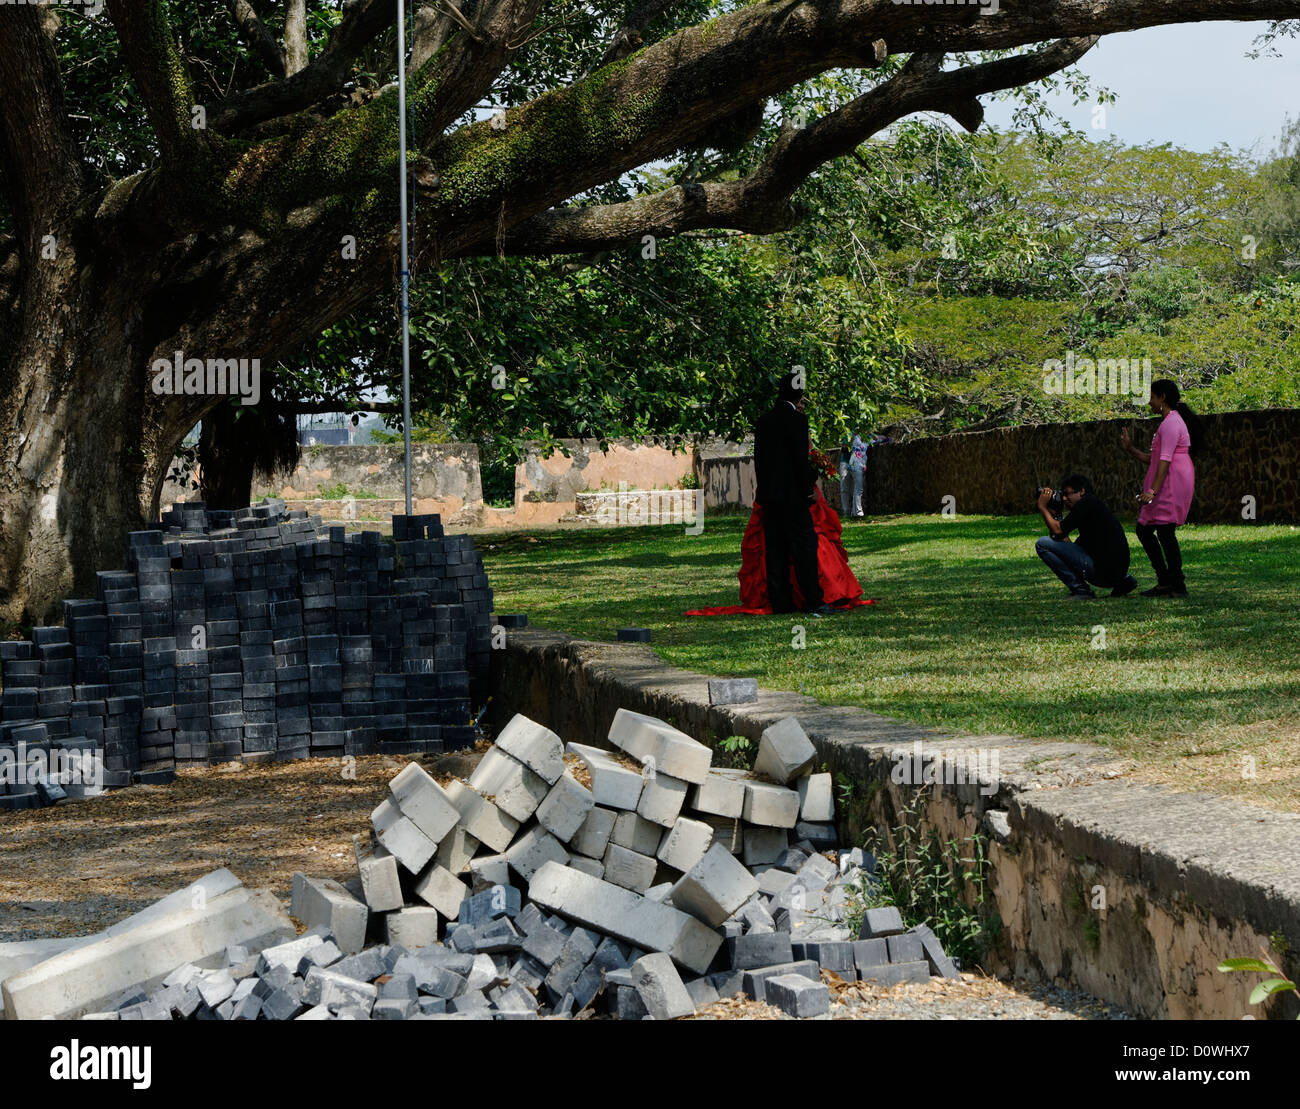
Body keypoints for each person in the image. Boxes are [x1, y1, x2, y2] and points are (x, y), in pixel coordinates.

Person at [753, 377, 835, 616]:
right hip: (793, 498)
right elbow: (799, 461)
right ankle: (813, 600)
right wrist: (808, 486)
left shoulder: (764, 421)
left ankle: (781, 603)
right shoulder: (798, 420)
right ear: (799, 397)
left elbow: (760, 462)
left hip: (770, 497)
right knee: (804, 549)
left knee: (776, 550)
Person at [1121, 379, 1198, 598]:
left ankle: (1176, 584)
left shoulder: (1172, 423)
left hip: (1171, 482)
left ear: (1162, 397)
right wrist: (1130, 449)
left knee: (1164, 531)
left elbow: (1165, 461)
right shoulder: (1167, 423)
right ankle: (1166, 581)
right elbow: (1154, 459)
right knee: (1147, 530)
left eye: (1152, 397)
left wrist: (1152, 491)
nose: (1149, 402)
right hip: (1166, 480)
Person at [1034, 474, 1137, 600]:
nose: (1065, 499)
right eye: (1063, 495)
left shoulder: (1086, 503)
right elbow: (1065, 542)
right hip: (1115, 573)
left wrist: (1042, 507)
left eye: (1067, 494)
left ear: (1082, 491)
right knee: (1057, 545)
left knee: (1042, 543)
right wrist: (1056, 515)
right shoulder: (1094, 506)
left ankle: (1081, 590)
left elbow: (1058, 530)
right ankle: (1123, 582)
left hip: (1102, 573)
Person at [838, 432, 867, 518]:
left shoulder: (863, 434)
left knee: (857, 487)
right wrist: (848, 444)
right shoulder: (847, 433)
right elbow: (843, 449)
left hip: (857, 463)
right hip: (845, 462)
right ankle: (846, 511)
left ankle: (855, 512)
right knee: (844, 487)